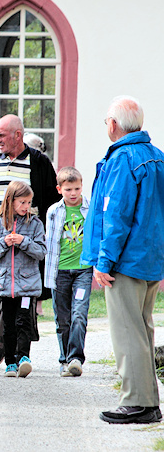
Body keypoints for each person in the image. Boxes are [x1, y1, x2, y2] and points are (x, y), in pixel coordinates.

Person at [82, 96, 164, 425]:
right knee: (142, 330)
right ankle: (148, 402)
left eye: (106, 122)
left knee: (128, 332)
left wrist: (104, 261)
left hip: (126, 260)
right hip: (149, 258)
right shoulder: (156, 157)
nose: (106, 126)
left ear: (114, 124)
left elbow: (115, 214)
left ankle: (137, 403)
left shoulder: (122, 158)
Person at [0, 114, 59, 368]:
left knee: (23, 295)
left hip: (26, 237)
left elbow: (49, 200)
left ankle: (4, 347)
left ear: (18, 135)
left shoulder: (39, 162)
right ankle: (5, 341)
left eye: (1, 135)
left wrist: (39, 236)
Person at [0, 181, 46, 378]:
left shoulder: (35, 224)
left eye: (29, 203)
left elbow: (41, 252)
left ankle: (24, 358)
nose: (26, 207)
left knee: (24, 321)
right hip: (6, 284)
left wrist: (24, 241)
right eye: (22, 202)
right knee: (9, 324)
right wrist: (4, 242)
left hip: (27, 284)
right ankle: (10, 362)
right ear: (10, 201)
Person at [45, 166, 91, 378]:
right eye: (68, 189)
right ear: (59, 189)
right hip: (60, 271)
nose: (73, 193)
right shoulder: (54, 211)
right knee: (62, 318)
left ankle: (75, 359)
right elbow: (49, 243)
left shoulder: (90, 209)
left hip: (83, 271)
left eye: (77, 188)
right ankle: (65, 360)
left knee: (79, 314)